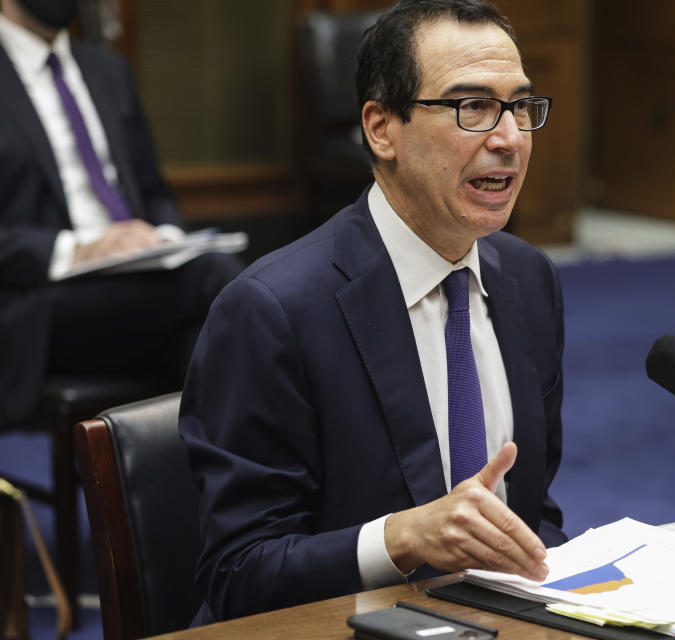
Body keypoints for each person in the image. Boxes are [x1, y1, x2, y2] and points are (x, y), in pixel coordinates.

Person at [179, 0, 566, 625]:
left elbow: (534, 511)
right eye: (472, 108)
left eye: (520, 106)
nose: (509, 139)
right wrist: (401, 539)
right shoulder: (272, 312)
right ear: (382, 129)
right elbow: (239, 574)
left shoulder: (528, 279)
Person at [0, 0, 242, 428]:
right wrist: (79, 249)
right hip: (40, 300)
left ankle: (186, 484)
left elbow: (153, 190)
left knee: (202, 341)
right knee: (219, 282)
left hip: (142, 282)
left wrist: (164, 236)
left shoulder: (107, 71)